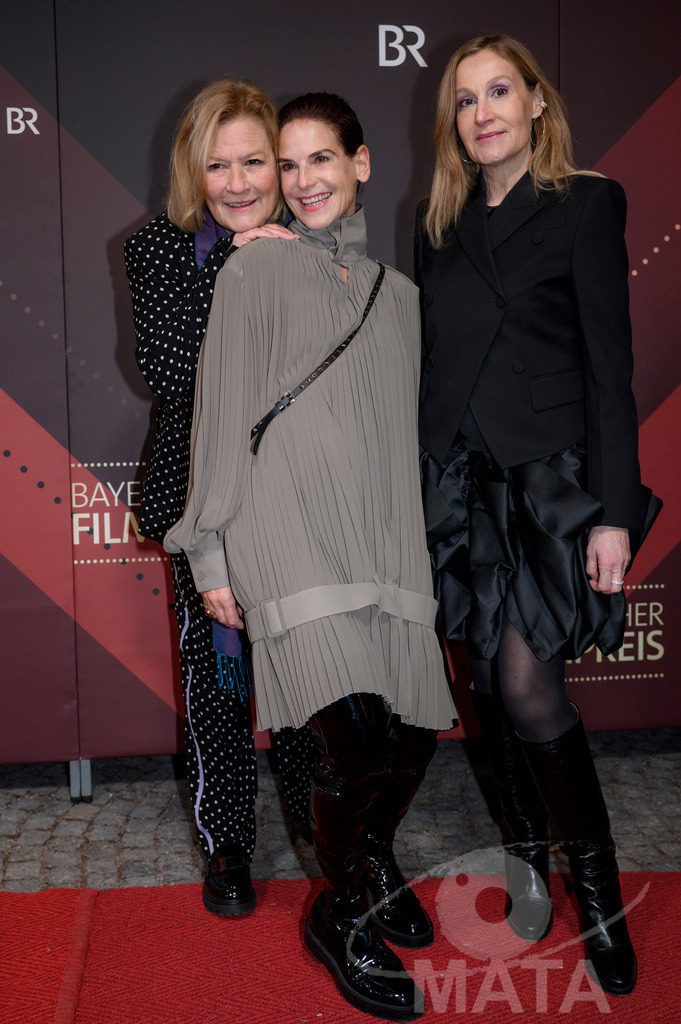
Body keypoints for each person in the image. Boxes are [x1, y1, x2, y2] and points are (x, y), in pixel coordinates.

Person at [166, 92, 456, 1021]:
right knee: (345, 734)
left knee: (409, 733)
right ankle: (342, 913)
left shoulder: (401, 295)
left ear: (361, 164)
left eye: (318, 160)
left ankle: (367, 858)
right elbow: (219, 422)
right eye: (286, 167)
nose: (301, 182)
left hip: (384, 534)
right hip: (286, 531)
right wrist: (210, 553)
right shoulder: (251, 275)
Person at [416, 34, 660, 997]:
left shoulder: (586, 202)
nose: (482, 112)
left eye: (499, 92)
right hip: (461, 484)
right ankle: (524, 857)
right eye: (465, 100)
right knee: (480, 682)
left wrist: (609, 514)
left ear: (536, 105)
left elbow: (611, 364)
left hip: (552, 483)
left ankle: (595, 890)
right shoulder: (433, 220)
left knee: (526, 686)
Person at [124, 79, 313, 918]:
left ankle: (320, 829)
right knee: (217, 680)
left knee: (306, 673)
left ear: (281, 166)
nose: (237, 183)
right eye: (217, 165)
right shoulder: (155, 250)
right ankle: (228, 844)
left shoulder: (318, 242)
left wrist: (286, 261)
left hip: (302, 497)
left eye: (254, 162)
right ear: (191, 170)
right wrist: (241, 269)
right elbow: (173, 375)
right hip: (202, 500)